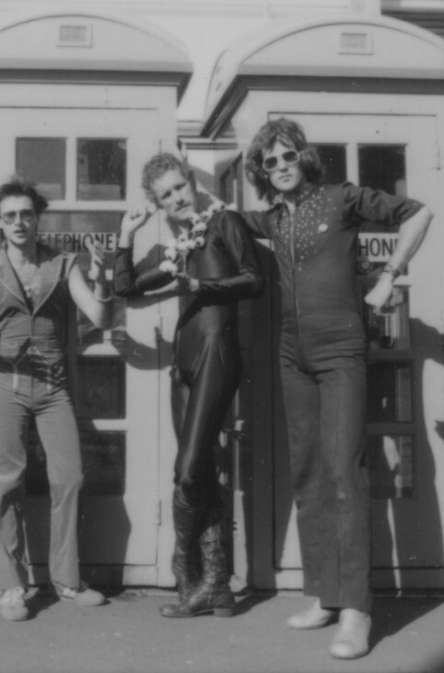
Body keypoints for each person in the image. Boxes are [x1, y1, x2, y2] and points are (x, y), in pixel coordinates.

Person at [237, 118, 432, 660]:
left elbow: (420, 212)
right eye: (270, 161)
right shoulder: (273, 218)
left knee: (344, 471)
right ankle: (325, 596)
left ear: (304, 156)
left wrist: (390, 274)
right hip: (290, 351)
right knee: (308, 473)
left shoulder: (342, 198)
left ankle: (356, 610)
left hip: (341, 346)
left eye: (288, 156)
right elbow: (221, 221)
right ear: (261, 171)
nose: (281, 166)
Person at [113, 153, 264, 619]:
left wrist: (199, 286)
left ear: (192, 183)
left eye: (180, 187)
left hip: (217, 352)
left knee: (187, 472)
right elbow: (125, 288)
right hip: (184, 362)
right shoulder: (180, 246)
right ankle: (217, 589)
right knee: (200, 469)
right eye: (166, 195)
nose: (177, 198)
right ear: (158, 203)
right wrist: (126, 235)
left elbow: (254, 279)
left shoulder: (223, 222)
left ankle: (186, 566)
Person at [0, 177, 112, 621]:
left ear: (36, 217)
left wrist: (102, 277)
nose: (19, 222)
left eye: (26, 214)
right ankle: (11, 586)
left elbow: (100, 315)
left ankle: (66, 580)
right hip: (7, 386)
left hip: (53, 387)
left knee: (69, 478)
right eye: (9, 216)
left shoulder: (62, 263)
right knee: (4, 482)